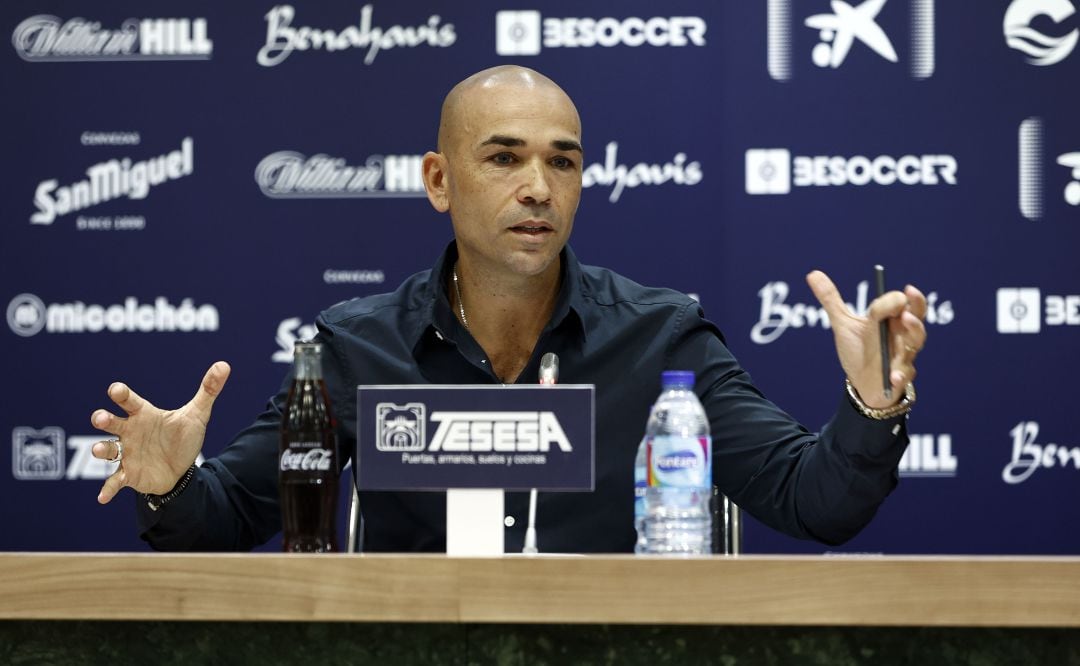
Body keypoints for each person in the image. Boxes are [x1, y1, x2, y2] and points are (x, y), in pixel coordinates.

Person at [90, 65, 927, 552]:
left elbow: (815, 501)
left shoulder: (659, 336)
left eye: (562, 163)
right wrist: (167, 485)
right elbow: (228, 515)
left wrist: (872, 404)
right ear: (439, 181)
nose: (537, 187)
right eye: (503, 158)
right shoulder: (356, 348)